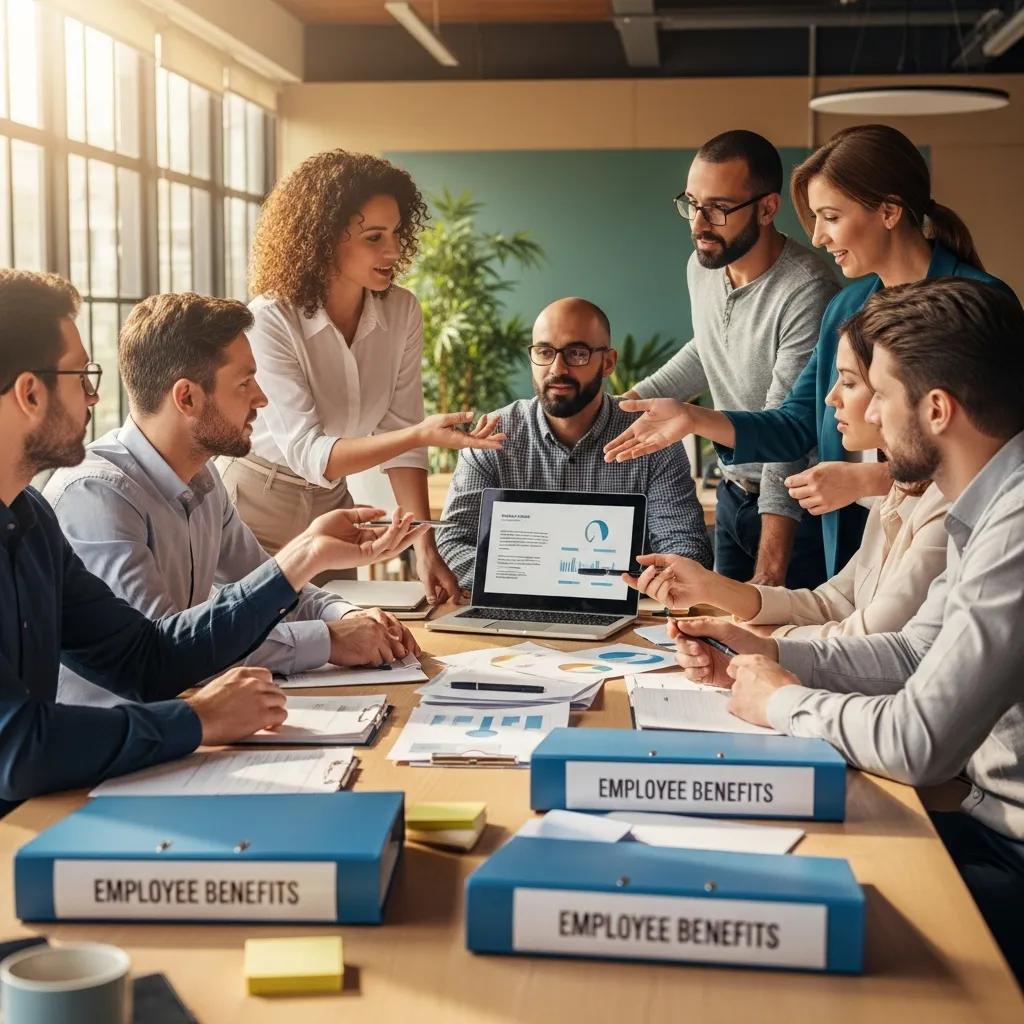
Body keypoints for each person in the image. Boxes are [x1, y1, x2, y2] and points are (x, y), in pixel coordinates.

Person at [668, 279, 1024, 982]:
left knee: (753, 916)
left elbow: (918, 743)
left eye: (880, 394)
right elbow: (917, 651)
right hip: (982, 824)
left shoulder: (1013, 521)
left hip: (1007, 857)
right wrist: (768, 651)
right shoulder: (985, 500)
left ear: (937, 409)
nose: (865, 417)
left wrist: (779, 701)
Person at [0, 269, 426, 811]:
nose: (92, 396)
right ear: (31, 393)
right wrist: (197, 719)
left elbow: (146, 657)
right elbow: (15, 745)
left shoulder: (30, 515)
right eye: (82, 376)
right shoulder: (91, 493)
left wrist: (305, 554)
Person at [604, 124, 1018, 578]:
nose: (818, 237)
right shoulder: (847, 307)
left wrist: (875, 481)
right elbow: (793, 425)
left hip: (966, 550)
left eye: (831, 217)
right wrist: (692, 417)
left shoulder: (979, 302)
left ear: (889, 211)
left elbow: (1000, 457)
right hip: (862, 553)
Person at [44, 293, 422, 708]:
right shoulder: (98, 495)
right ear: (186, 398)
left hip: (181, 721)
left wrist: (348, 616)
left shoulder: (204, 480)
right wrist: (328, 641)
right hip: (116, 747)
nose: (261, 398)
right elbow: (170, 647)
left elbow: (263, 592)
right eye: (244, 383)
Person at [219, 149, 505, 603]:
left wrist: (423, 547)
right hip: (255, 508)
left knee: (334, 653)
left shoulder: (403, 311)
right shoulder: (270, 319)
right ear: (321, 239)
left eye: (395, 233)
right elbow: (312, 453)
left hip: (332, 507)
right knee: (258, 648)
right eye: (374, 237)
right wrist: (420, 435)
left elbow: (397, 429)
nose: (393, 250)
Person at [627, 326, 948, 640]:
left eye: (851, 382)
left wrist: (754, 645)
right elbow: (833, 603)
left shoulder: (942, 509)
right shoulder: (893, 498)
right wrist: (709, 587)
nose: (830, 397)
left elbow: (869, 642)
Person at [624, 130, 838, 589]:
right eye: (691, 203)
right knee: (718, 642)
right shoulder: (702, 266)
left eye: (719, 208)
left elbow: (789, 440)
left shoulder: (806, 289)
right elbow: (708, 348)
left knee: (777, 642)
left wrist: (771, 571)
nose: (699, 223)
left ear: (766, 208)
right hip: (732, 495)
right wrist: (633, 400)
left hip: (796, 511)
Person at [437, 298, 712, 589]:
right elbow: (451, 544)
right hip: (515, 614)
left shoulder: (654, 441)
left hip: (627, 616)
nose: (558, 368)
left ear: (608, 362)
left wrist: (626, 588)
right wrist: (546, 583)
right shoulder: (491, 436)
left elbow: (686, 551)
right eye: (544, 352)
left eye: (576, 353)